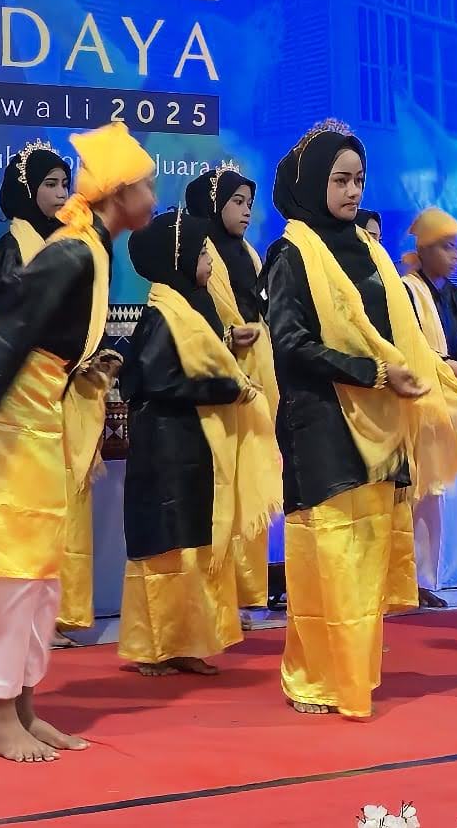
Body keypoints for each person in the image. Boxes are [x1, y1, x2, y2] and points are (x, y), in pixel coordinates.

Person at [0, 122, 155, 763]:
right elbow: (5, 335)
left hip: (37, 422)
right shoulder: (72, 252)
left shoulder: (92, 249)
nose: (154, 197)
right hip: (7, 426)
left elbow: (48, 346)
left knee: (38, 575)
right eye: (147, 185)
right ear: (118, 193)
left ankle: (23, 707)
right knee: (9, 573)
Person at [266, 121, 457, 718]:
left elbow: (398, 339)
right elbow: (290, 345)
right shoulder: (290, 254)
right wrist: (374, 375)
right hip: (319, 422)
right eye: (340, 180)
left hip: (378, 425)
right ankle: (311, 678)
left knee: (362, 559)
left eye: (359, 179)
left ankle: (351, 676)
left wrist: (438, 371)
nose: (353, 191)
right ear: (314, 182)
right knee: (325, 557)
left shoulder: (369, 251)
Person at [117, 209, 277, 676]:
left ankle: (187, 642)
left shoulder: (190, 309)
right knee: (167, 549)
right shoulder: (163, 316)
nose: (209, 261)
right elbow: (156, 380)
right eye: (202, 253)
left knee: (195, 546)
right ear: (179, 258)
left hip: (192, 446)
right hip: (164, 451)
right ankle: (154, 648)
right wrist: (226, 388)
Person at [0, 142, 114, 648]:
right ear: (26, 190)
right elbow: (12, 313)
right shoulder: (13, 246)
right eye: (50, 184)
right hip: (25, 394)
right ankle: (21, 613)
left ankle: (56, 612)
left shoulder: (71, 242)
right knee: (27, 502)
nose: (60, 194)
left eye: (64, 184)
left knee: (64, 502)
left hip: (64, 390)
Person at [184, 164, 281, 623]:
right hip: (218, 384)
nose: (246, 212)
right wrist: (226, 337)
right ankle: (212, 595)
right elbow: (189, 322)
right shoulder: (196, 255)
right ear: (214, 203)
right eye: (237, 202)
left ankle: (243, 594)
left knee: (252, 480)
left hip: (256, 379)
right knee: (220, 485)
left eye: (249, 203)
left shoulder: (250, 255)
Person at [400, 207, 457, 608]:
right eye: (447, 247)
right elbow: (407, 347)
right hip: (409, 403)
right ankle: (398, 582)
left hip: (442, 409)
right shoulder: (405, 292)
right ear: (425, 249)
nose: (455, 255)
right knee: (406, 493)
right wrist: (446, 367)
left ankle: (422, 581)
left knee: (432, 496)